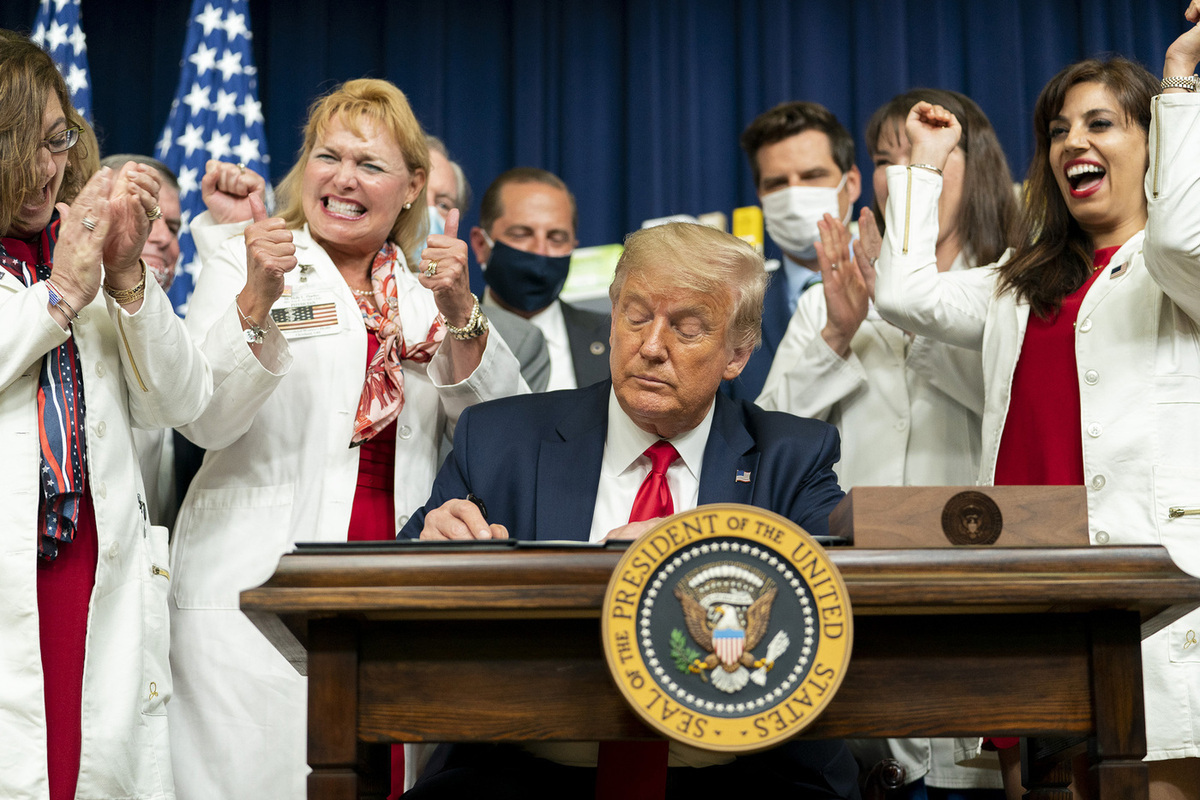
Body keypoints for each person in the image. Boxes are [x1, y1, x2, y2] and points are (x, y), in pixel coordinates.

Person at [400, 222, 856, 799]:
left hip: (736, 772)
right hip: (527, 765)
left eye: (687, 329)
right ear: (612, 318)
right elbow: (396, 583)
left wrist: (695, 558)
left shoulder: (791, 456)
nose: (652, 346)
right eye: (636, 317)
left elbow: (833, 603)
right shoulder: (501, 438)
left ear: (738, 354)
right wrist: (429, 551)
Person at [166, 78, 526, 800]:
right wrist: (258, 297)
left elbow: (508, 436)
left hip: (389, 579)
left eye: (369, 164)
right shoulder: (246, 260)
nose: (343, 179)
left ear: (413, 186)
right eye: (328, 157)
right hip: (254, 578)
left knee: (377, 779)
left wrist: (462, 311)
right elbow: (205, 418)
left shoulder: (426, 293)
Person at [873, 7, 1200, 798]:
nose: (1072, 143)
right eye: (1058, 130)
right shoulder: (1018, 282)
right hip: (1035, 591)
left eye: (1100, 124)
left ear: (1154, 141)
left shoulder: (1175, 272)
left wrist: (1181, 82)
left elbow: (1180, 238)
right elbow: (903, 295)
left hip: (1148, 599)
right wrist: (924, 165)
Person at [0, 31, 284, 800]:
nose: (44, 169)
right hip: (12, 572)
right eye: (18, 145)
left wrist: (125, 277)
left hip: (93, 568)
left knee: (87, 769)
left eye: (56, 140)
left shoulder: (82, 246)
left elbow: (183, 402)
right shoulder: (65, 268)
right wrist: (59, 294)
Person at [759, 89, 1015, 800]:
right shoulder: (828, 297)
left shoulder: (1015, 282)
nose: (904, 174)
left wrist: (908, 312)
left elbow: (1014, 408)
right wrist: (837, 334)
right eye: (886, 159)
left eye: (927, 155)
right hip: (855, 607)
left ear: (974, 162)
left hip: (980, 595)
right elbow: (768, 441)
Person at [724, 101, 862, 402]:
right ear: (761, 195)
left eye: (812, 176)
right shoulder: (735, 308)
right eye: (777, 183)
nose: (794, 195)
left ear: (850, 183)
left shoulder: (894, 283)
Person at [100, 154, 186, 527]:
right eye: (146, 215)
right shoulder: (46, 313)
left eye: (174, 227)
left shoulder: (182, 342)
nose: (164, 238)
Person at [427, 135, 550, 392]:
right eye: (416, 197)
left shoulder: (517, 339)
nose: (425, 213)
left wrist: (462, 321)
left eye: (442, 204)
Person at [470, 167, 611, 390]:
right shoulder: (444, 336)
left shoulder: (614, 339)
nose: (540, 250)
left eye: (556, 238)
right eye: (521, 234)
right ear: (480, 245)